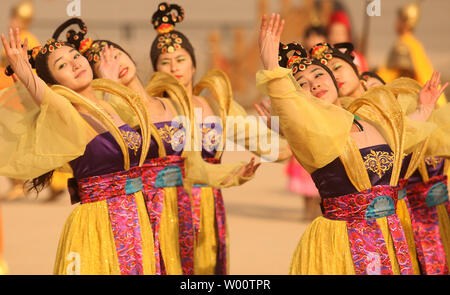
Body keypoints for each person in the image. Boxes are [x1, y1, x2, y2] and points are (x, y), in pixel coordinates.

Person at [256, 13, 443, 275]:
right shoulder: (312, 130)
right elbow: (289, 109)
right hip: (346, 245)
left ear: (333, 80)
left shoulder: (365, 120)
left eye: (319, 74)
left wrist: (423, 109)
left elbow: (400, 138)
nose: (314, 83)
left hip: (391, 236)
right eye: (303, 84)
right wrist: (272, 70)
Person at [147, 2, 290, 275]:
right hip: (163, 206)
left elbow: (274, 150)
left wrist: (289, 129)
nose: (174, 67)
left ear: (193, 64)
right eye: (164, 62)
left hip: (208, 206)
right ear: (156, 70)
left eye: (180, 59)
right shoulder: (151, 109)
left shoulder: (217, 107)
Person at [377, 1, 447, 106]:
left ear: (404, 23)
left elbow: (405, 74)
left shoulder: (403, 45)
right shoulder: (413, 43)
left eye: (398, 20)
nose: (396, 23)